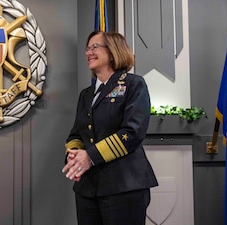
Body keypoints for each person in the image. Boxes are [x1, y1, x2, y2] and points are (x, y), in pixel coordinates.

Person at [62, 31, 158, 225]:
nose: (89, 52)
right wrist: (74, 156)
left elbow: (132, 132)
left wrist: (90, 156)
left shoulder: (133, 84)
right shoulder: (86, 94)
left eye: (94, 47)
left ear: (113, 51)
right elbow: (76, 134)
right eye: (87, 49)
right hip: (87, 189)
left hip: (124, 186)